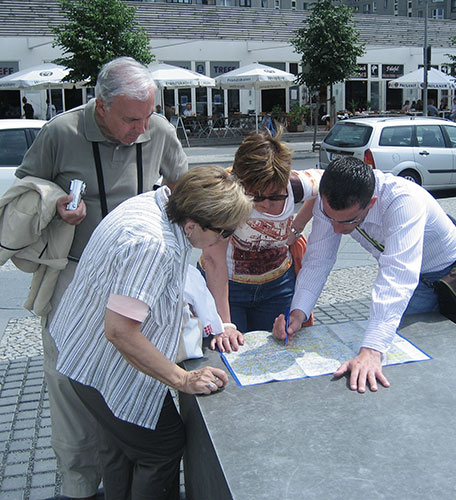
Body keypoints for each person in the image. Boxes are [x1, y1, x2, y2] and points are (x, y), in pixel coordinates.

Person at [15, 56, 188, 500]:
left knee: (131, 372)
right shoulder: (60, 132)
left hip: (137, 279)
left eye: (148, 114)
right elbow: (26, 187)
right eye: (132, 118)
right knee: (71, 384)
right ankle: (78, 487)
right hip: (75, 276)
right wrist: (56, 203)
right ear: (101, 106)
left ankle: (124, 472)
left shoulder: (159, 131)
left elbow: (186, 191)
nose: (142, 128)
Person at [50, 165, 253, 500]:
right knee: (162, 446)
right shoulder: (153, 246)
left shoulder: (154, 202)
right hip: (101, 364)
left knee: (119, 447)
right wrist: (182, 379)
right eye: (223, 232)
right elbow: (120, 332)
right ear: (193, 225)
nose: (222, 241)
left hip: (82, 352)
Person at [273, 156, 456, 394]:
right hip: (409, 274)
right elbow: (318, 260)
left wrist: (372, 349)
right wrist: (299, 312)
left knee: (426, 358)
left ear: (371, 202)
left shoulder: (404, 201)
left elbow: (397, 276)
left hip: (449, 276)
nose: (336, 228)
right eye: (329, 217)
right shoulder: (331, 200)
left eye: (348, 221)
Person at [200, 131, 323, 353]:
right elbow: (213, 259)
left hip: (277, 284)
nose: (265, 204)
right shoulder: (226, 194)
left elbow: (328, 186)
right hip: (228, 286)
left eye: (276, 196)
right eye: (256, 197)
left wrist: (297, 226)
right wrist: (225, 324)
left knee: (279, 349)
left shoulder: (296, 185)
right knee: (229, 350)